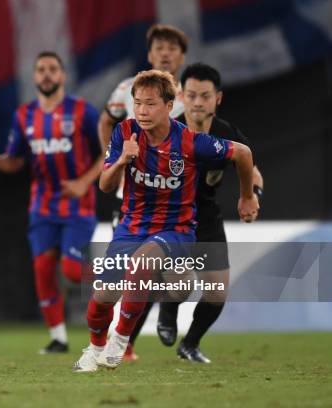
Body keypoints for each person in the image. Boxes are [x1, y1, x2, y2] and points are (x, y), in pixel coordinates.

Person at [72, 69, 258, 372]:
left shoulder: (191, 142)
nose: (142, 111)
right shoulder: (124, 132)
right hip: (131, 226)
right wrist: (121, 160)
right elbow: (105, 186)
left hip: (177, 229)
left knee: (142, 266)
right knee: (102, 296)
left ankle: (119, 342)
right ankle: (94, 348)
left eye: (150, 104)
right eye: (138, 103)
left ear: (169, 106)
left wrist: (247, 195)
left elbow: (243, 153)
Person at [0, 52, 103, 353]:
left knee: (74, 271)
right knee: (43, 269)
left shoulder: (84, 112)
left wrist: (84, 182)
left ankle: (115, 288)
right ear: (35, 77)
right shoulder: (24, 116)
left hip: (78, 206)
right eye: (41, 69)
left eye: (52, 69)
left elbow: (108, 153)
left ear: (62, 75)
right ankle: (58, 338)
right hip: (42, 206)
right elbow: (16, 162)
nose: (46, 74)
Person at [152, 63, 264, 363]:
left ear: (218, 98)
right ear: (180, 96)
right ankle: (168, 309)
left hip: (206, 216)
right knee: (183, 283)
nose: (198, 102)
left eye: (205, 95)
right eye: (191, 95)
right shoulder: (163, 129)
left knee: (216, 293)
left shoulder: (226, 133)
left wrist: (250, 197)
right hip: (170, 217)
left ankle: (190, 345)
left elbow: (252, 171)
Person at [98, 24, 189, 360]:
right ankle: (125, 341)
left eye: (171, 48)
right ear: (150, 54)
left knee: (173, 276)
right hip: (134, 198)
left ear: (182, 56)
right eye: (158, 48)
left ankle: (152, 324)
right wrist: (113, 159)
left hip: (178, 198)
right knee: (131, 272)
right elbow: (106, 122)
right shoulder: (128, 89)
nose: (164, 53)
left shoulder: (191, 93)